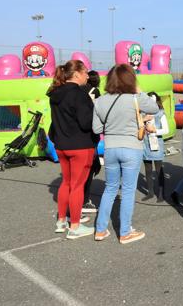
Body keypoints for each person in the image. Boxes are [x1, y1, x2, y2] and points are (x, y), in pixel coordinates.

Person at [92, 64, 158, 245]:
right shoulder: (135, 98)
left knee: (110, 187)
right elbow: (153, 107)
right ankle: (125, 231)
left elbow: (96, 128)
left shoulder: (100, 101)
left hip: (110, 148)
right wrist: (139, 90)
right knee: (128, 190)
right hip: (131, 148)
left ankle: (100, 229)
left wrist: (114, 124)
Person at [47, 60, 97, 239]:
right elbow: (86, 122)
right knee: (77, 186)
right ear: (76, 74)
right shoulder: (80, 94)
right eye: (85, 73)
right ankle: (74, 226)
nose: (87, 76)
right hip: (81, 145)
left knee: (67, 183)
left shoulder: (55, 93)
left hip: (61, 145)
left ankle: (62, 220)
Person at [141, 92, 170, 202]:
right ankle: (150, 192)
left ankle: (161, 193)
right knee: (148, 170)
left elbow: (166, 130)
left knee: (159, 170)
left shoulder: (160, 113)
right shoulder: (143, 114)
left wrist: (155, 130)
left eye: (153, 100)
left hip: (156, 144)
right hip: (145, 144)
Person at [82, 70, 102, 214]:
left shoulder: (77, 91)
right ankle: (84, 200)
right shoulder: (95, 92)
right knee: (91, 167)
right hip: (90, 133)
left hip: (75, 137)